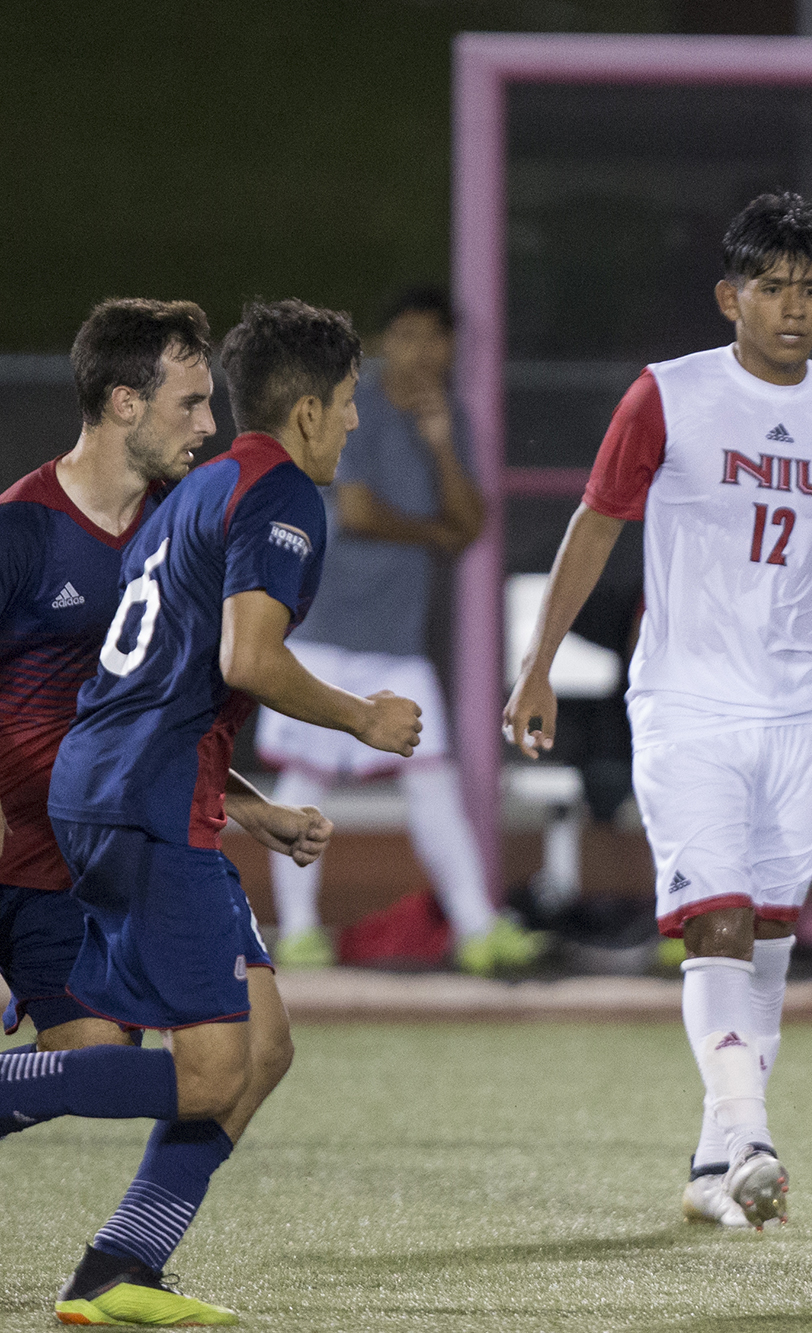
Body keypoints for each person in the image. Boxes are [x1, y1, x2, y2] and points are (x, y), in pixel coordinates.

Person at [6, 300, 422, 1326]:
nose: (356, 422)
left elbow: (152, 681)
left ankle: (121, 1267)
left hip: (130, 798)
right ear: (312, 411)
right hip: (118, 815)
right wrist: (362, 716)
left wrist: (251, 807)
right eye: (351, 402)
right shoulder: (270, 493)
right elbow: (245, 659)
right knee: (200, 1074)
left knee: (258, 1051)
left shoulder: (191, 494)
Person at [503, 193, 812, 1232]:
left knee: (768, 933)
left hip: (796, 707)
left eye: (809, 288)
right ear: (729, 297)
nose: (791, 307)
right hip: (685, 698)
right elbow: (595, 526)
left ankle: (708, 1164)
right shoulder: (667, 395)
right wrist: (537, 663)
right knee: (716, 920)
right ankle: (752, 1135)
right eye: (769, 287)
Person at [1, 300, 331, 1064]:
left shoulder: (179, 527)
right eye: (190, 403)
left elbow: (159, 714)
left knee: (261, 1051)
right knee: (101, 1059)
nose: (210, 426)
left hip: (149, 845)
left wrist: (251, 807)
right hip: (41, 870)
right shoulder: (22, 533)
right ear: (125, 403)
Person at [253, 285, 536, 975]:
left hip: (395, 638)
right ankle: (298, 932)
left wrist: (440, 446)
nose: (420, 351)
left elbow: (472, 524)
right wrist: (435, 533)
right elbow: (357, 511)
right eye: (406, 335)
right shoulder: (352, 402)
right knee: (307, 778)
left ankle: (476, 928)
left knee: (431, 777)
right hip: (322, 622)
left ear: (451, 347)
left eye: (434, 337)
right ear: (385, 341)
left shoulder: (450, 416)